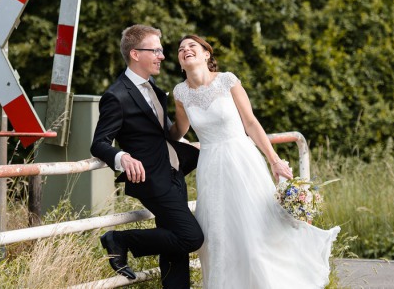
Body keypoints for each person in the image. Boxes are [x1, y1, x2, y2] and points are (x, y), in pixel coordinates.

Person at [171, 34, 340, 288]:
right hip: (210, 170)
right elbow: (178, 132)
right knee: (220, 239)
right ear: (181, 63)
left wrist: (274, 160)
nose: (185, 50)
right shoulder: (181, 93)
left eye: (192, 46)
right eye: (181, 49)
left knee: (256, 232)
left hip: (242, 161)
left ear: (207, 54)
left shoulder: (228, 81)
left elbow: (250, 123)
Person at [90, 24, 202, 288]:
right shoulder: (115, 96)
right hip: (150, 178)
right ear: (135, 54)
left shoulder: (153, 86)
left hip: (174, 172)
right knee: (191, 237)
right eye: (156, 50)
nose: (162, 56)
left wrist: (187, 143)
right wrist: (122, 157)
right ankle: (120, 240)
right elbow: (99, 143)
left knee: (175, 248)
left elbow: (160, 133)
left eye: (161, 50)